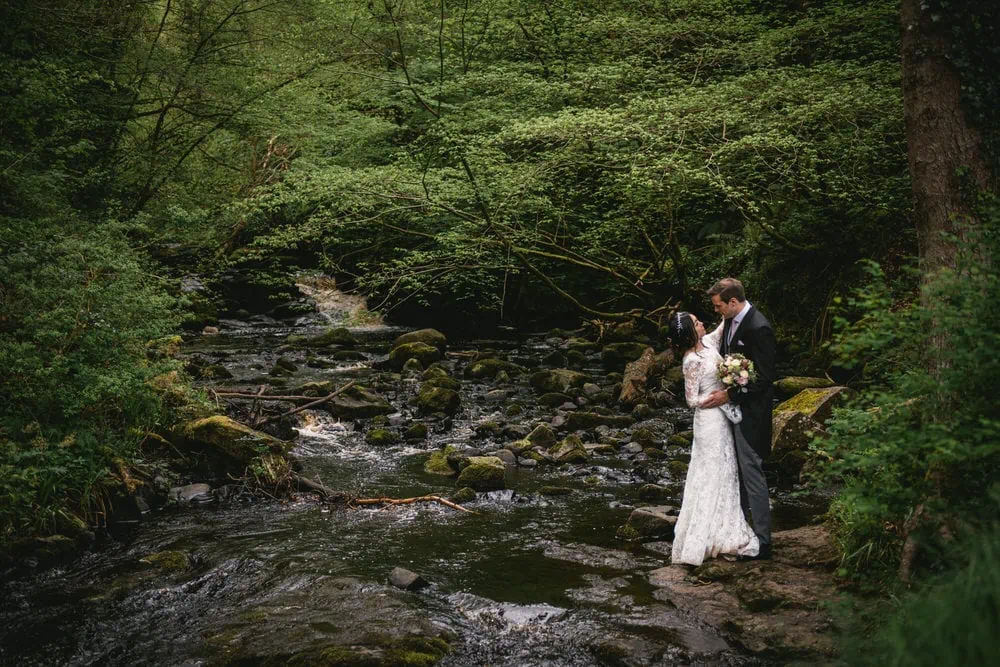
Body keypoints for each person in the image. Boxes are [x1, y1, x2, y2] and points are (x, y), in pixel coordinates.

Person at [669, 311, 759, 566]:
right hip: (709, 421)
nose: (701, 324)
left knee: (726, 469)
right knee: (709, 473)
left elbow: (722, 326)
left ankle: (724, 526)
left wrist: (729, 308)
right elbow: (690, 400)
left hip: (723, 418)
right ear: (690, 331)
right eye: (697, 323)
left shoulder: (708, 342)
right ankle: (704, 537)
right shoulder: (690, 361)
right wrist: (716, 398)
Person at [700, 278, 777, 560]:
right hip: (734, 414)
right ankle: (743, 532)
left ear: (733, 302)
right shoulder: (730, 323)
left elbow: (766, 379)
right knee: (739, 472)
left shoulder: (760, 328)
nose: (717, 310)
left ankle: (763, 542)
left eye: (719, 306)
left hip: (752, 414)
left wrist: (729, 395)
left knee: (752, 472)